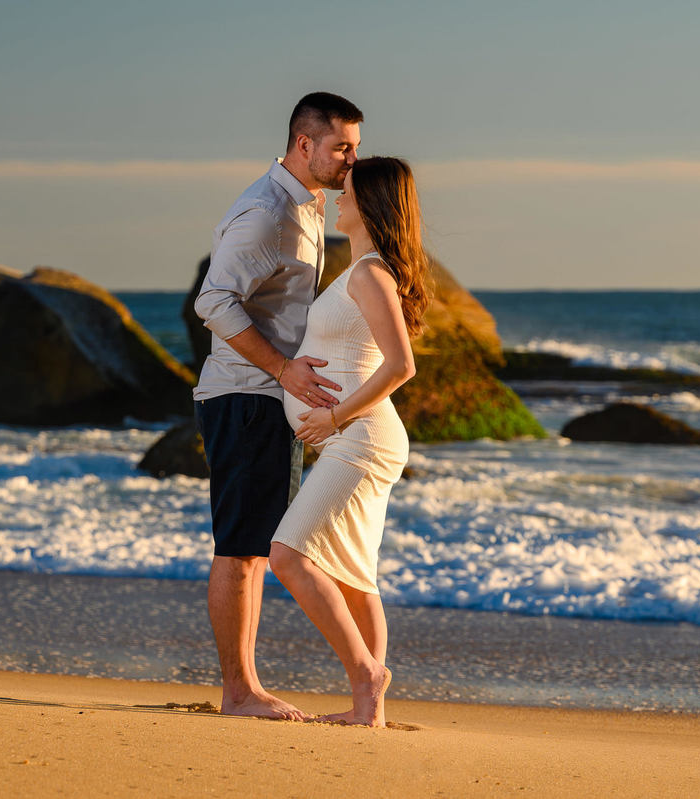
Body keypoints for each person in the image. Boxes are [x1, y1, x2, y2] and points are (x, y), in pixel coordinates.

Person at [192, 92, 362, 720]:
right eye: (341, 146)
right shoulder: (267, 214)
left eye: (355, 147)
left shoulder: (309, 206)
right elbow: (213, 302)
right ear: (303, 144)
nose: (351, 159)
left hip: (267, 399)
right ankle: (240, 693)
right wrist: (285, 369)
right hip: (245, 396)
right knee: (239, 548)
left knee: (257, 547)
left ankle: (245, 686)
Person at [269, 156, 430, 727]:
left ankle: (367, 673)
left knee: (287, 557)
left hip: (361, 438)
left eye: (350, 191)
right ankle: (370, 710)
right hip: (356, 438)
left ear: (373, 204)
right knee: (356, 576)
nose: (340, 196)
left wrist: (334, 416)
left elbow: (401, 366)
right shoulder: (362, 266)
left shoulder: (370, 273)